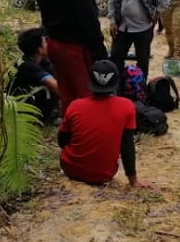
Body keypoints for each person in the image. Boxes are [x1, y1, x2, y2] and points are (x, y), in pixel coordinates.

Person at [37, 0, 109, 115]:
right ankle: (85, 132)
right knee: (84, 94)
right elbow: (91, 26)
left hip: (53, 46)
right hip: (75, 50)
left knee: (66, 92)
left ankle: (69, 129)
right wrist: (101, 53)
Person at [57, 59, 150, 187]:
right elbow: (127, 146)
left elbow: (62, 141)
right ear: (116, 83)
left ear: (90, 82)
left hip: (70, 169)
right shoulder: (127, 106)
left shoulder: (75, 105)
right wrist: (133, 181)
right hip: (103, 175)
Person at [7, 27, 60, 124]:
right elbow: (56, 87)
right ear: (39, 50)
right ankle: (45, 118)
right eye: (45, 42)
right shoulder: (28, 66)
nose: (48, 44)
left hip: (24, 101)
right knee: (48, 88)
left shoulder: (39, 60)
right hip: (20, 107)